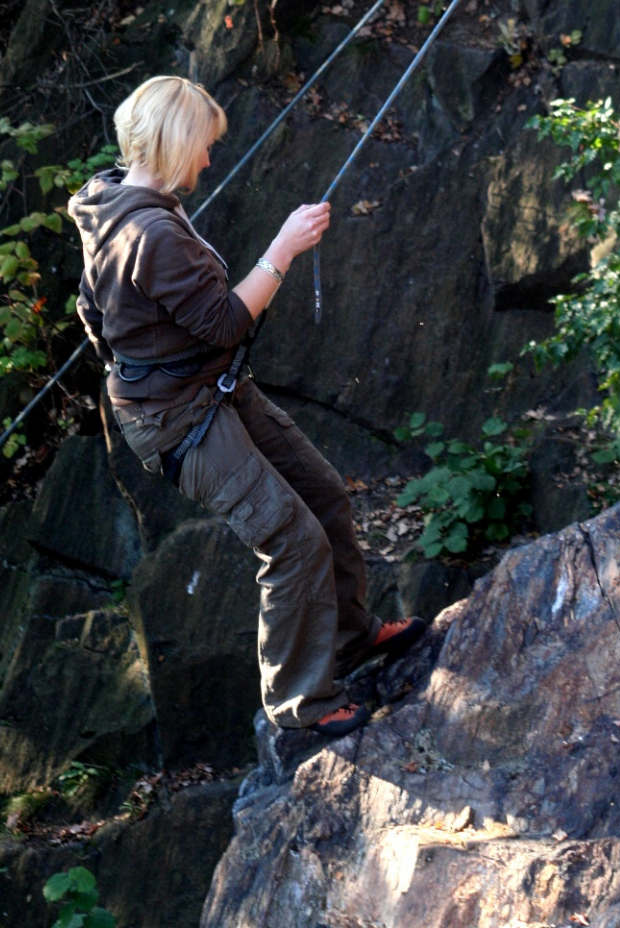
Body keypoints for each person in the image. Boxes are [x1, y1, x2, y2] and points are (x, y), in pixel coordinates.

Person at [69, 75, 425, 738]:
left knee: (323, 495)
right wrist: (283, 249)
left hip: (208, 390)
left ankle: (349, 638)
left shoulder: (112, 194)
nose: (209, 159)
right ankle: (299, 704)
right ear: (175, 145)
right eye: (203, 146)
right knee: (291, 540)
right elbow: (227, 319)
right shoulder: (152, 231)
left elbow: (95, 308)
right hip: (177, 417)